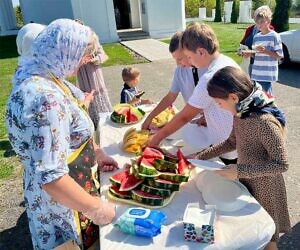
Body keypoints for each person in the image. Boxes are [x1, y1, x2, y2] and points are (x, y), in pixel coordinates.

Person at [6, 19, 118, 250]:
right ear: (63, 51)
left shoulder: (46, 77)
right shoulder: (44, 98)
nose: (82, 63)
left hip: (70, 188)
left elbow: (69, 132)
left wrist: (97, 153)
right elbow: (52, 178)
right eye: (82, 56)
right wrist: (96, 209)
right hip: (62, 203)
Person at [193, 66, 290, 250]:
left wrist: (240, 170)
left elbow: (282, 164)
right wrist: (200, 156)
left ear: (233, 97)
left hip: (266, 189)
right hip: (246, 180)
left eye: (219, 103)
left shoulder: (264, 122)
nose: (218, 107)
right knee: (251, 232)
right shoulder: (241, 113)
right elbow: (231, 142)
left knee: (268, 236)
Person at [148, 22, 239, 164]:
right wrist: (210, 117)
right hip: (236, 141)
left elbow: (184, 117)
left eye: (189, 57)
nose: (189, 62)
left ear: (201, 52)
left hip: (228, 146)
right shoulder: (228, 62)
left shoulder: (209, 78)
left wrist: (158, 137)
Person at [142, 31, 207, 130]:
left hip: (212, 120)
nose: (177, 63)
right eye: (175, 59)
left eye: (180, 59)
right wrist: (150, 117)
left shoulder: (207, 69)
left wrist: (208, 116)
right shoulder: (180, 71)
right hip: (193, 120)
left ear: (188, 51)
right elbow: (170, 97)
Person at [76, 30, 113, 129]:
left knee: (99, 94)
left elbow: (103, 55)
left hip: (94, 73)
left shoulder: (93, 40)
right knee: (86, 94)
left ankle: (105, 120)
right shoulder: (75, 44)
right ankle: (92, 122)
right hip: (82, 74)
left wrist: (96, 59)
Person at [244, 5, 283, 95]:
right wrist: (249, 54)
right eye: (257, 22)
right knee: (258, 98)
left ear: (268, 22)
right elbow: (256, 54)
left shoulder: (275, 36)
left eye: (262, 22)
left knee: (266, 99)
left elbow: (280, 56)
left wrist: (266, 51)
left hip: (267, 75)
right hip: (256, 73)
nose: (259, 24)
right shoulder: (257, 37)